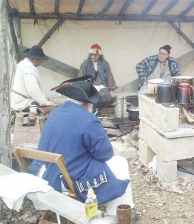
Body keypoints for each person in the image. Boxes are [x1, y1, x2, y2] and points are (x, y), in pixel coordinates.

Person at [29, 76, 135, 217]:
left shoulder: (55, 113)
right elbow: (105, 154)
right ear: (87, 104)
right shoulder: (88, 120)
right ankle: (117, 212)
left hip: (42, 173)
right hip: (63, 178)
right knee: (120, 163)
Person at [11, 45, 55, 116]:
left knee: (46, 104)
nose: (41, 61)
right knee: (50, 107)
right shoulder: (29, 68)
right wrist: (45, 102)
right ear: (35, 59)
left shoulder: (23, 64)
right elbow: (33, 90)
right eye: (41, 59)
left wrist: (44, 100)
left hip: (19, 100)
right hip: (21, 103)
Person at [78, 43, 117, 114]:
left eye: (95, 55)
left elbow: (109, 75)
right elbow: (81, 76)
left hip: (101, 85)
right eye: (91, 54)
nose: (93, 56)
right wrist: (81, 89)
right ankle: (92, 112)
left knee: (107, 98)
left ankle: (93, 110)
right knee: (90, 99)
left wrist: (111, 90)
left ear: (99, 55)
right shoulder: (85, 63)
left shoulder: (104, 63)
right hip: (89, 86)